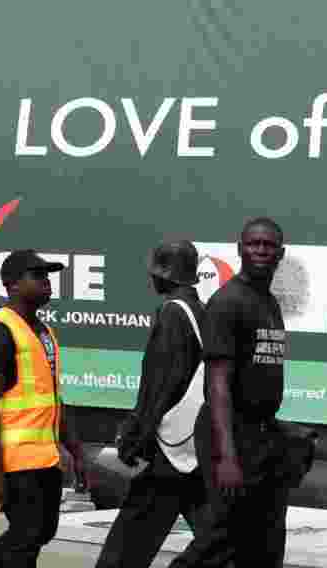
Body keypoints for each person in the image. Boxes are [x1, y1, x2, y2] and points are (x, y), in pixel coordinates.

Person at [0, 249, 87, 568]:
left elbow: (52, 398)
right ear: (11, 285)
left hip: (45, 457)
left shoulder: (43, 332)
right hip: (14, 460)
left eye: (48, 275)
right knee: (28, 532)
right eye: (37, 276)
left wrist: (77, 452)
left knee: (38, 536)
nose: (47, 283)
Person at [169, 217, 291, 568]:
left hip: (261, 435)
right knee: (222, 538)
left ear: (280, 253)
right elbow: (218, 383)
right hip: (231, 435)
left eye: (269, 245)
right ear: (240, 249)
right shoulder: (228, 302)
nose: (261, 250)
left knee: (265, 540)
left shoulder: (267, 302)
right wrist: (227, 455)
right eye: (254, 243)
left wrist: (277, 428)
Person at [95, 240, 214, 568]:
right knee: (215, 535)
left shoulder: (173, 312)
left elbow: (161, 383)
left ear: (166, 274)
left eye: (154, 272)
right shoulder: (198, 310)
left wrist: (137, 435)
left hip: (168, 448)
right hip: (193, 445)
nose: (151, 278)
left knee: (130, 539)